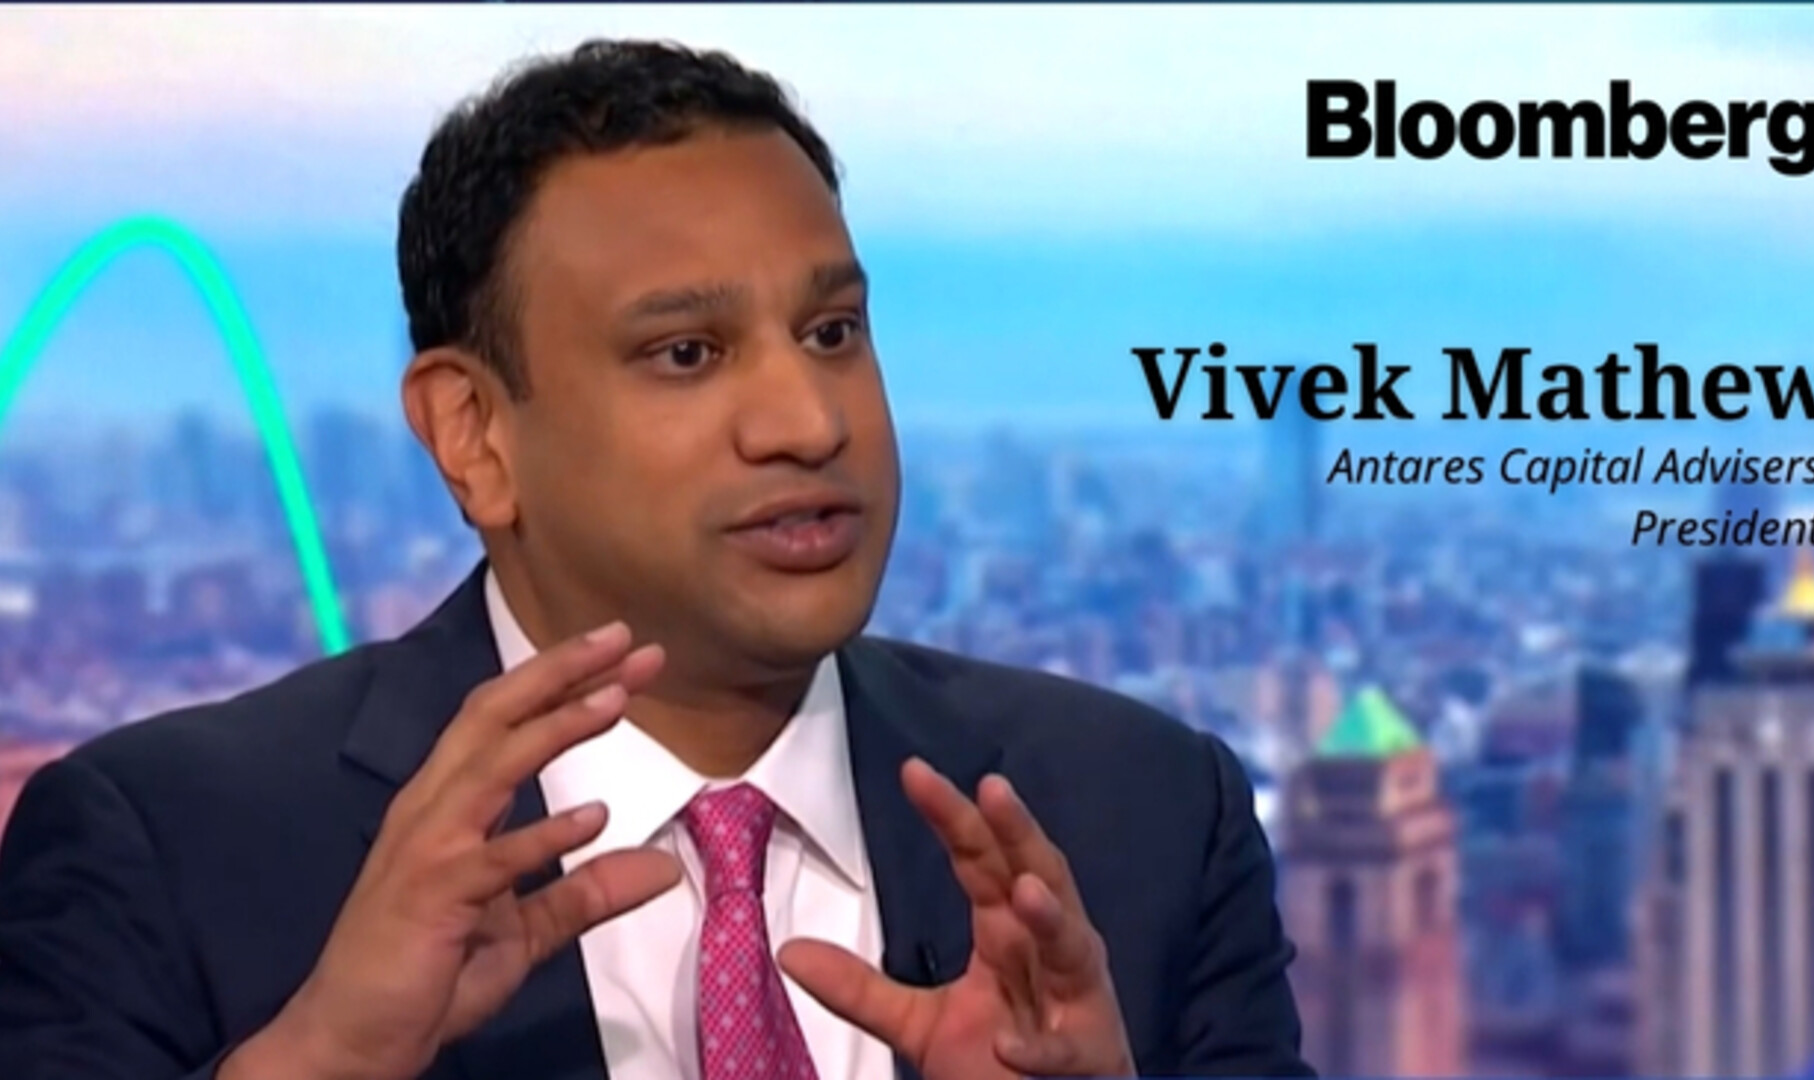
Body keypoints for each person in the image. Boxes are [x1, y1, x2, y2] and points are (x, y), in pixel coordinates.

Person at [0, 39, 1314, 1080]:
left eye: (833, 333)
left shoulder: (1140, 818)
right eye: (686, 353)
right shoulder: (166, 851)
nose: (808, 421)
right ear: (474, 435)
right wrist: (324, 1063)